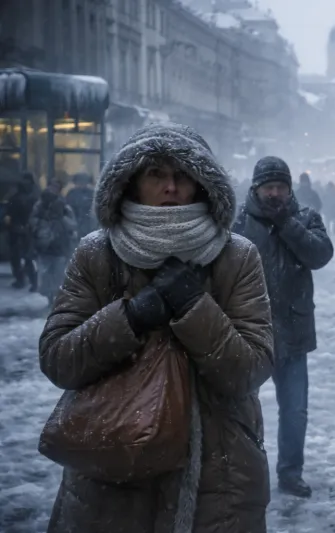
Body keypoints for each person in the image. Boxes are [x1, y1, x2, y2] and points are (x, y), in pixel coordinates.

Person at [39, 123, 274, 533]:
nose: (170, 187)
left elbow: (250, 368)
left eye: (182, 175)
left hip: (217, 478)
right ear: (131, 184)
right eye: (156, 174)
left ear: (202, 184)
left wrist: (194, 307)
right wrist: (128, 318)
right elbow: (59, 358)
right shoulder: (97, 253)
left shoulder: (237, 257)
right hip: (114, 475)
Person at [232, 156, 333, 498]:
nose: (274, 193)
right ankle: (244, 474)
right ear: (256, 188)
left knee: (294, 411)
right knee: (241, 410)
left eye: (280, 187)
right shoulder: (239, 223)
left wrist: (288, 224)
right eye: (268, 187)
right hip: (249, 333)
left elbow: (320, 255)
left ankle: (290, 472)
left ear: (289, 189)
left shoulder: (305, 217)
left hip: (293, 330)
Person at [30, 179, 77, 305]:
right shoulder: (40, 205)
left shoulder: (64, 205)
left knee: (58, 273)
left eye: (56, 187)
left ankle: (55, 296)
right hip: (44, 244)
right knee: (45, 273)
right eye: (52, 186)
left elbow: (72, 224)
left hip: (60, 243)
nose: (53, 189)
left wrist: (61, 219)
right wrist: (41, 225)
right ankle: (49, 294)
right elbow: (33, 221)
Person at [5, 171, 38, 290]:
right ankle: (32, 282)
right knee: (28, 258)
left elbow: (8, 216)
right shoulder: (35, 197)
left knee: (18, 258)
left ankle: (21, 280)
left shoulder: (15, 197)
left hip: (17, 230)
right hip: (28, 230)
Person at [65, 172, 97, 239]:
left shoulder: (91, 193)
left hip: (88, 221)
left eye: (84, 181)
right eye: (79, 181)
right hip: (74, 219)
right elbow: (67, 207)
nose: (81, 183)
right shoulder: (71, 193)